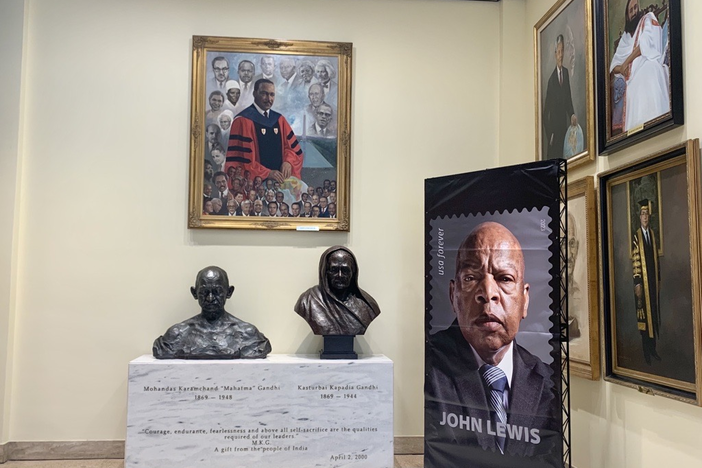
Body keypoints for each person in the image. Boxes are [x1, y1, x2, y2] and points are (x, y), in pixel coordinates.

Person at [425, 222, 559, 466]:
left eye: (504, 278)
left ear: (525, 299)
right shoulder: (425, 367)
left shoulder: (550, 383)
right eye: (471, 277)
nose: (488, 293)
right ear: (453, 296)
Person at [152, 266, 271, 359]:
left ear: (229, 292)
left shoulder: (248, 334)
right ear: (194, 293)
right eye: (204, 292)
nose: (210, 298)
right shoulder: (177, 334)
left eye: (217, 292)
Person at [225, 79, 304, 183]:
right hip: (256, 184)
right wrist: (267, 173)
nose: (269, 99)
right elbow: (242, 161)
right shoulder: (242, 121)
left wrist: (288, 162)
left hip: (280, 183)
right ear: (254, 94)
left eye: (272, 95)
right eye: (264, 94)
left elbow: (294, 150)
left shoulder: (280, 120)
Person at [609, 0, 670, 132]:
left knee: (650, 72)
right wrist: (622, 69)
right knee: (634, 84)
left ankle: (654, 123)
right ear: (627, 15)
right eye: (631, 10)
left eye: (635, 8)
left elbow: (644, 44)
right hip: (630, 74)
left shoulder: (647, 19)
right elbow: (614, 65)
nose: (634, 12)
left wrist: (626, 62)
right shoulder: (625, 38)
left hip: (647, 62)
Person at [294, 246, 381, 335]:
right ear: (325, 271)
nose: (340, 275)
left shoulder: (368, 306)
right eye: (334, 270)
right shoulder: (308, 301)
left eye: (345, 270)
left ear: (353, 272)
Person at [631, 199, 661, 364]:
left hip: (653, 283)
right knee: (644, 318)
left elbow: (656, 261)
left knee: (653, 316)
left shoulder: (653, 235)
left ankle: (653, 349)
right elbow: (635, 262)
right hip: (642, 284)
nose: (645, 217)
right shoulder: (637, 236)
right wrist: (637, 283)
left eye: (647, 214)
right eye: (642, 214)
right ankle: (646, 353)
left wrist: (659, 279)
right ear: (639, 217)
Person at [542, 35, 576, 160]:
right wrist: (550, 134)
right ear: (555, 53)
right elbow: (546, 114)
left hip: (565, 128)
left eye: (563, 51)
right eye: (559, 52)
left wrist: (572, 114)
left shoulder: (566, 73)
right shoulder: (551, 81)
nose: (561, 55)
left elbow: (568, 99)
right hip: (555, 134)